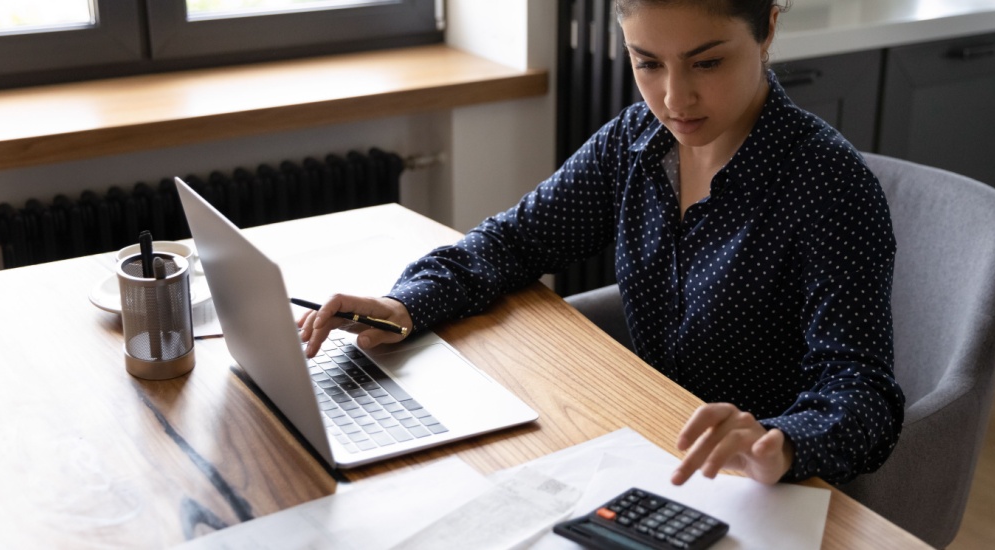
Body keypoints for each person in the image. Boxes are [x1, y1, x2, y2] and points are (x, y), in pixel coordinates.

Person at [299, 0, 904, 488]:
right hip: (642, 446)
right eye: (648, 63)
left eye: (707, 63)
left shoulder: (828, 185)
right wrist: (409, 303)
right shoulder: (636, 142)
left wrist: (782, 442)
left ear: (768, 27)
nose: (674, 98)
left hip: (763, 487)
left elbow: (863, 391)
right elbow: (514, 240)